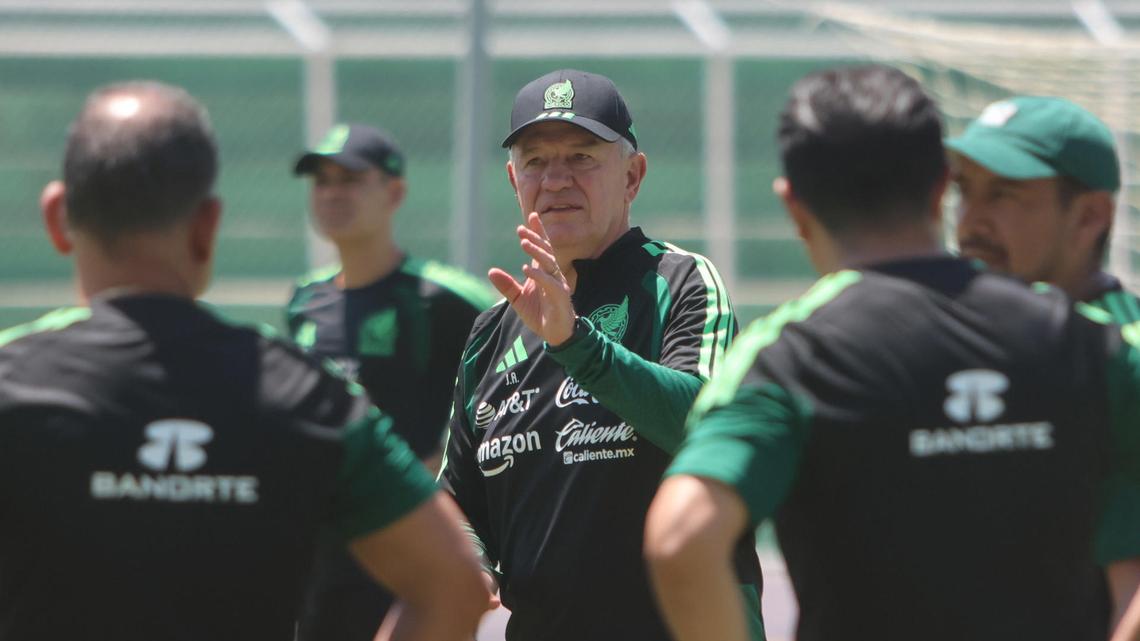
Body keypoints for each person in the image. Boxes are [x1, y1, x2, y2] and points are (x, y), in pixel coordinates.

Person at [644, 65, 1140, 641]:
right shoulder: (1084, 341)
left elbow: (682, 536)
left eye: (1006, 193)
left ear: (794, 205)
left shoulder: (789, 355)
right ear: (938, 190)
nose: (978, 216)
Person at [0, 80, 488, 641]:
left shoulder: (11, 379)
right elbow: (454, 586)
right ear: (208, 226)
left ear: (57, 216)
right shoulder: (310, 395)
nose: (333, 193)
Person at [435, 69, 764, 641]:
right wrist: (470, 564)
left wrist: (577, 345)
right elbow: (458, 501)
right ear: (514, 179)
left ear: (633, 175)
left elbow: (705, 425)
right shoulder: (491, 333)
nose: (556, 180)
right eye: (536, 161)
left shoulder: (681, 282)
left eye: (582, 157)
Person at [286, 123, 497, 641]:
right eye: (322, 180)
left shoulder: (444, 297)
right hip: (326, 551)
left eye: (351, 179)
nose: (333, 193)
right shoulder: (304, 301)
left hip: (410, 542)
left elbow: (518, 377)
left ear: (395, 193)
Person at [948, 96, 1140, 632]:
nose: (971, 221)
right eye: (966, 192)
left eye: (1004, 195)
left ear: (1090, 216)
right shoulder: (958, 338)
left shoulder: (1125, 357)